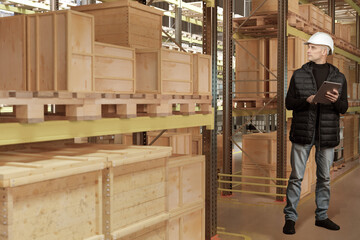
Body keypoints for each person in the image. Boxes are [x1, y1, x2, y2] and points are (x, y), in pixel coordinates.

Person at [283, 32, 348, 235]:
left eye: (312, 47)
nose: (308, 50)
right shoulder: (299, 74)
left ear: (324, 51)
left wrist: (336, 100)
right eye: (308, 46)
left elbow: (343, 107)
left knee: (324, 179)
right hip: (303, 134)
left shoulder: (339, 77)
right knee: (296, 177)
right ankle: (290, 218)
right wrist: (307, 100)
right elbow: (288, 103)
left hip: (326, 137)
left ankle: (321, 216)